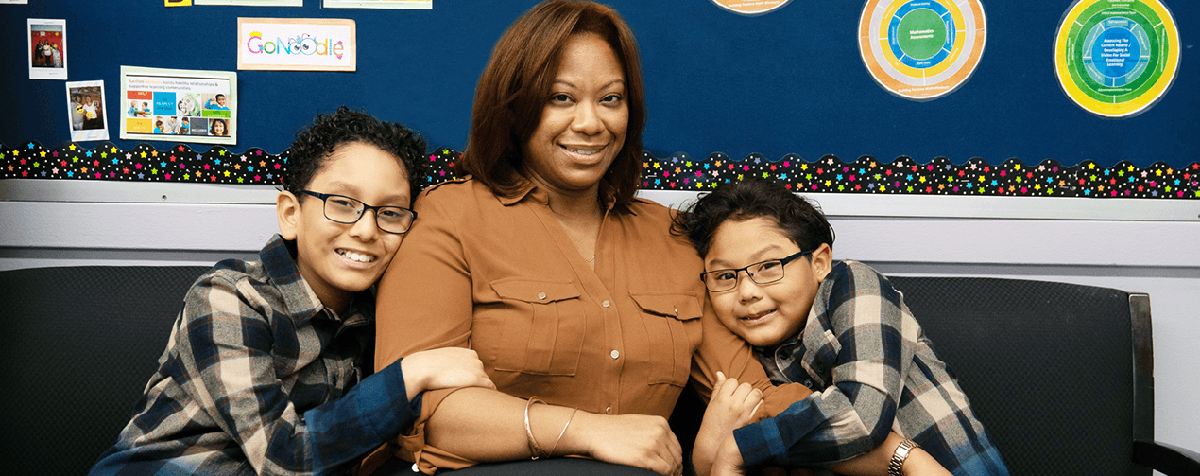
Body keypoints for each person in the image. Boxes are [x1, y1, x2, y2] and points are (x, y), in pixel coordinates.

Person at [365, 2, 869, 475]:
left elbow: (750, 391)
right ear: (514, 105)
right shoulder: (448, 216)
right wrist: (587, 431)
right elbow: (420, 409)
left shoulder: (669, 235)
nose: (591, 123)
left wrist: (900, 452)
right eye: (561, 98)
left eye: (611, 99)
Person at [88, 107, 495, 476]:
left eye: (389, 213)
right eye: (341, 203)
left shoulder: (376, 313)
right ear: (290, 215)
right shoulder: (227, 300)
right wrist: (411, 373)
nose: (367, 230)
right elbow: (284, 457)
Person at [671, 178, 1010, 476]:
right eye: (726, 276)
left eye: (769, 266)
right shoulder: (744, 353)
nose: (747, 292)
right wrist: (706, 457)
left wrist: (738, 447)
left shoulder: (850, 283)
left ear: (818, 262)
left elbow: (862, 416)